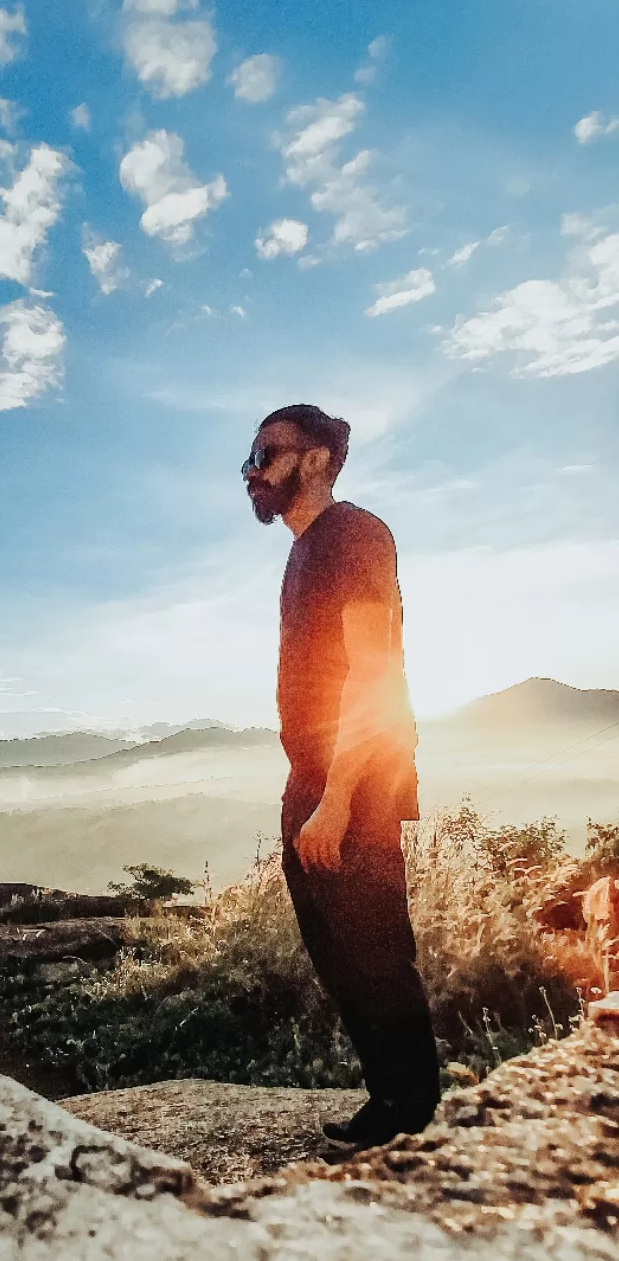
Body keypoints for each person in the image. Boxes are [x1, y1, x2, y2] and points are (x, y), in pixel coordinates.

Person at [243, 403, 440, 1148]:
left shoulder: (353, 534)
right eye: (249, 459)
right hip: (313, 784)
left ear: (318, 458)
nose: (252, 470)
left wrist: (337, 800)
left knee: (376, 957)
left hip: (351, 786)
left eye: (266, 452)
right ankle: (390, 1104)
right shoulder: (305, 551)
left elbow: (374, 674)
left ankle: (414, 1121)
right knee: (339, 958)